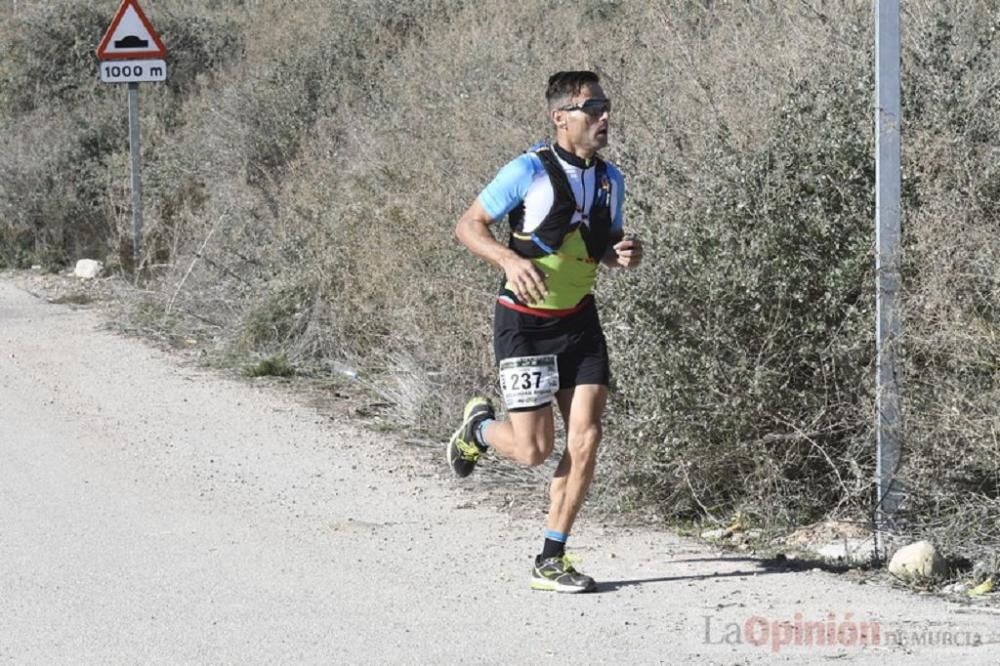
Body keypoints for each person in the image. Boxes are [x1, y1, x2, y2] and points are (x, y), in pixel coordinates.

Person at [447, 70, 643, 593]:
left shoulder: (611, 180)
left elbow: (604, 243)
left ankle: (550, 557)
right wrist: (509, 260)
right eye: (593, 107)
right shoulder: (526, 171)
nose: (605, 117)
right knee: (534, 450)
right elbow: (468, 225)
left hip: (579, 320)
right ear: (561, 117)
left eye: (606, 106)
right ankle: (479, 432)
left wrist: (621, 253)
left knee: (587, 438)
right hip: (526, 325)